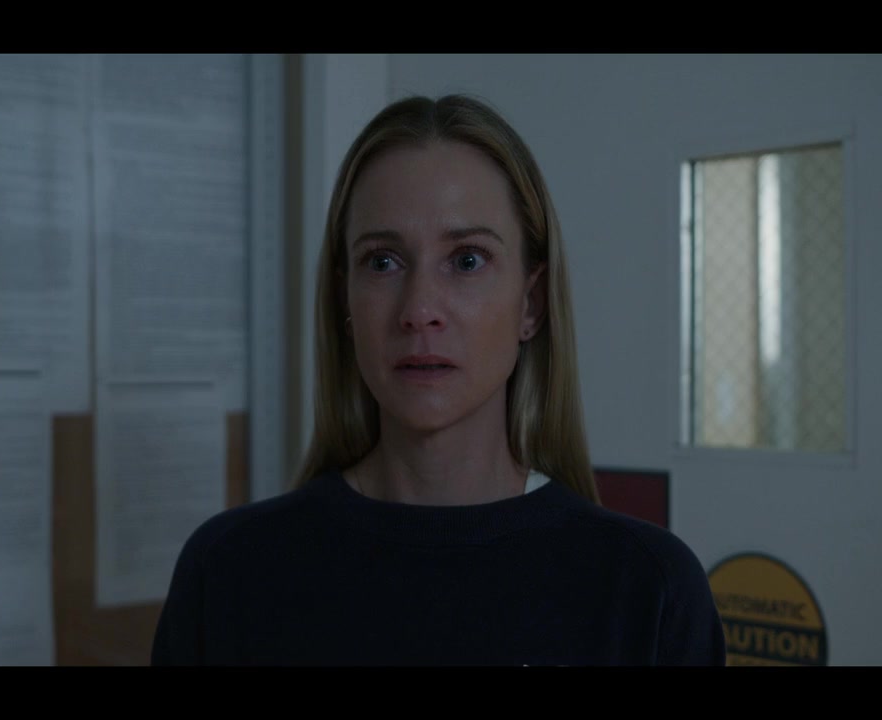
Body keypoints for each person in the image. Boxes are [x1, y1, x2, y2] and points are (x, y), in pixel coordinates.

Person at [151, 94, 726, 666]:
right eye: (383, 261)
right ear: (345, 301)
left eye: (467, 260)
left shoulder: (647, 592)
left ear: (530, 304)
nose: (420, 310)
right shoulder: (228, 572)